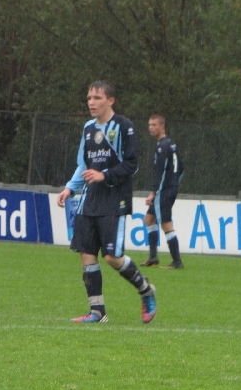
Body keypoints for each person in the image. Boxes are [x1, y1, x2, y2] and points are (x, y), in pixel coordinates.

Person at [57, 80, 156, 324]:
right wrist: (70, 188)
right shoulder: (88, 128)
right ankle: (97, 312)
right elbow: (83, 165)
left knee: (112, 257)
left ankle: (146, 290)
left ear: (110, 101)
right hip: (89, 200)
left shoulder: (124, 127)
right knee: (87, 254)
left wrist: (105, 175)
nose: (92, 102)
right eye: (89, 97)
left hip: (114, 199)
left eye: (97, 98)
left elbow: (132, 164)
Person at [141, 114, 185, 269]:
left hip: (163, 190)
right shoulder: (171, 144)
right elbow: (181, 169)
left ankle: (177, 261)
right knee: (149, 219)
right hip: (169, 188)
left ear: (162, 126)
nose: (150, 128)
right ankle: (153, 257)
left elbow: (160, 172)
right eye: (149, 125)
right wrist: (175, 184)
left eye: (154, 125)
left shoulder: (162, 146)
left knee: (166, 223)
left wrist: (154, 193)